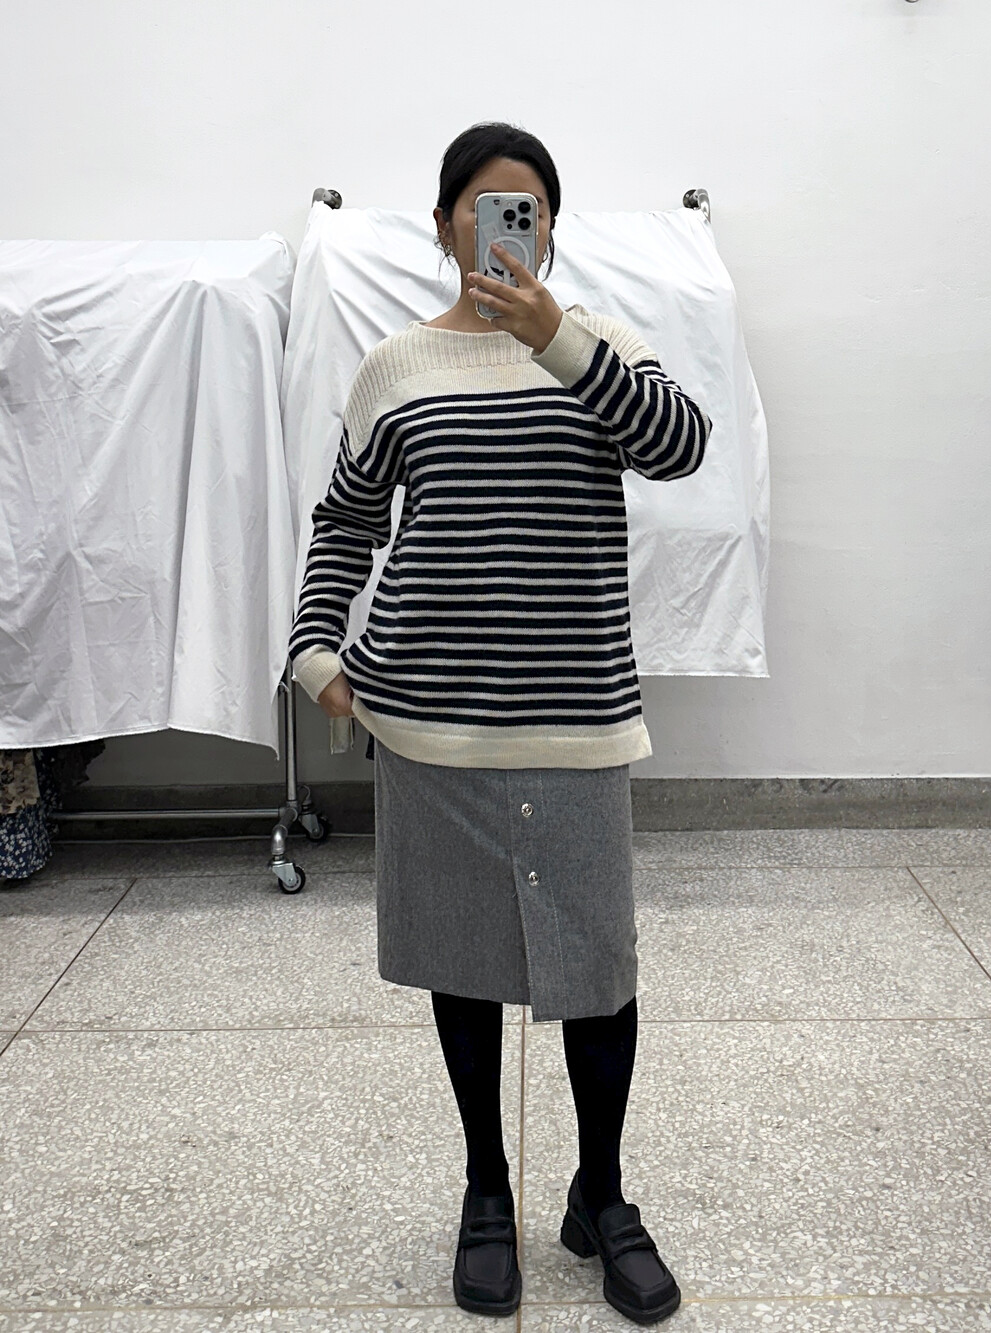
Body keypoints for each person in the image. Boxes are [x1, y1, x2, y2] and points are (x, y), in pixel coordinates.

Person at [288, 121, 712, 1324]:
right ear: (444, 226)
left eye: (526, 210)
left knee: (599, 973)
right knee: (462, 967)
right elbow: (346, 520)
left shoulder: (599, 347)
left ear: (550, 231)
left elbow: (679, 448)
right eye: (482, 207)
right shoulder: (394, 367)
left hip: (575, 725)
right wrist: (317, 654)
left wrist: (553, 338)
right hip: (429, 731)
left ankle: (601, 1194)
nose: (503, 229)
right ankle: (487, 1187)